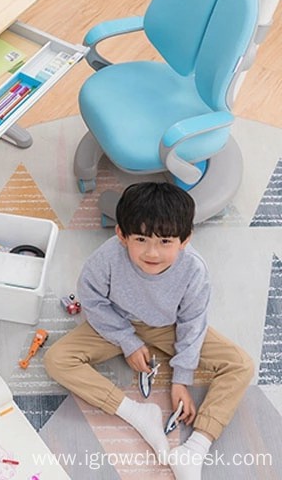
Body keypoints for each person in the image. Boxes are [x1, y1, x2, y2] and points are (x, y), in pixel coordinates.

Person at [44, 182, 253, 479]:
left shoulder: (195, 270)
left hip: (171, 327)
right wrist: (127, 341)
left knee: (240, 365)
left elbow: (193, 323)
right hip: (117, 323)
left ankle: (195, 448)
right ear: (121, 235)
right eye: (140, 239)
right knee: (56, 359)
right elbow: (92, 300)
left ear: (185, 240)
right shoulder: (106, 259)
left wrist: (181, 378)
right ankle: (137, 414)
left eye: (166, 241)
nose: (152, 252)